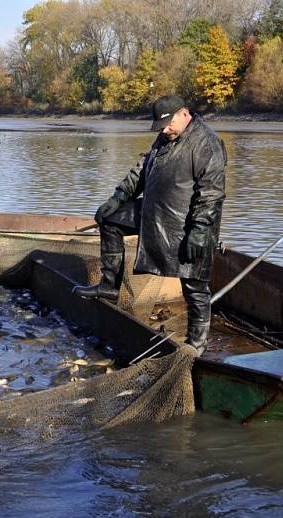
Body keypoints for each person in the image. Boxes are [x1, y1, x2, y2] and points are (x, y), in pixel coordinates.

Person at [73, 95, 226, 355]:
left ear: (184, 113)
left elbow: (211, 192)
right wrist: (119, 197)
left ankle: (196, 344)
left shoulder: (206, 143)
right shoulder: (165, 137)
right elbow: (142, 169)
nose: (164, 130)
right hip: (155, 213)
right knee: (110, 220)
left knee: (194, 285)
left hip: (190, 223)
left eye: (167, 124)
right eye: (160, 126)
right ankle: (109, 286)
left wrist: (200, 229)